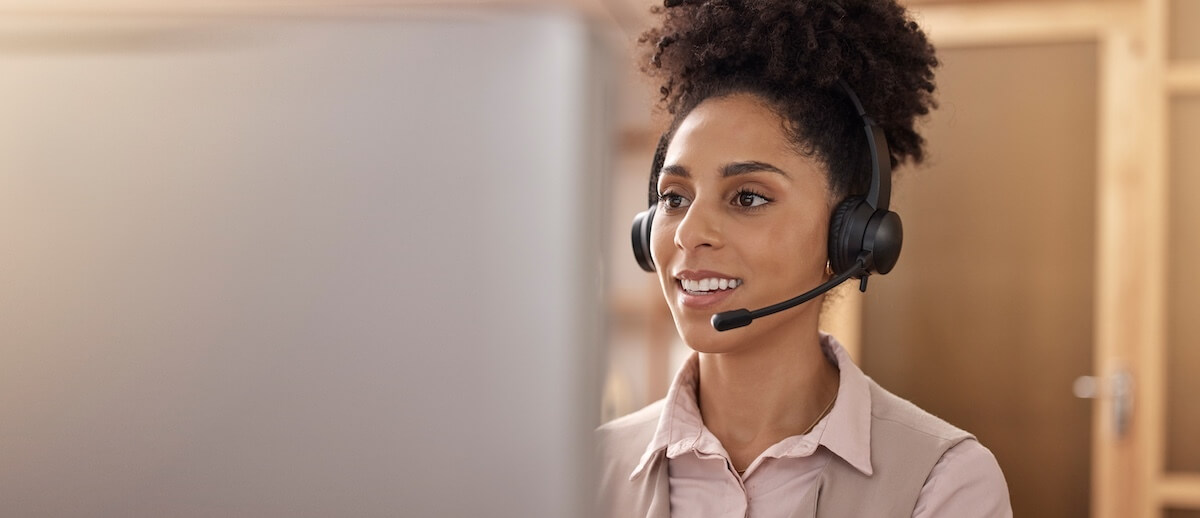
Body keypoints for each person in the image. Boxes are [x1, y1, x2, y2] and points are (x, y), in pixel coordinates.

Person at [596, 0, 1013, 516]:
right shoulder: (589, 469)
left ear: (851, 237)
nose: (689, 233)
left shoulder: (942, 480)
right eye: (675, 198)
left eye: (748, 197)